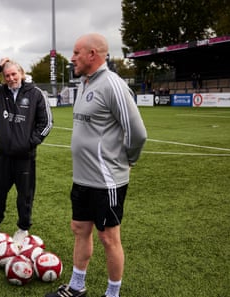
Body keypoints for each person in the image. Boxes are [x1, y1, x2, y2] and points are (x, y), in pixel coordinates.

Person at [45, 33, 147, 297]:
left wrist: (129, 160)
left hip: (106, 180)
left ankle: (112, 294)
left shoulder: (112, 84)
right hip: (82, 179)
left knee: (109, 238)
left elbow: (137, 132)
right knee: (80, 230)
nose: (73, 57)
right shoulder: (86, 84)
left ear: (93, 54)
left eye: (77, 52)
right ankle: (77, 287)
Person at [0, 58, 53, 243]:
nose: (11, 78)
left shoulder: (36, 94)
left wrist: (30, 142)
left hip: (24, 157)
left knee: (25, 195)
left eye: (14, 74)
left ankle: (22, 230)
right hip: (2, 155)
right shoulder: (1, 93)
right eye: (7, 75)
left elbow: (47, 122)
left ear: (21, 74)